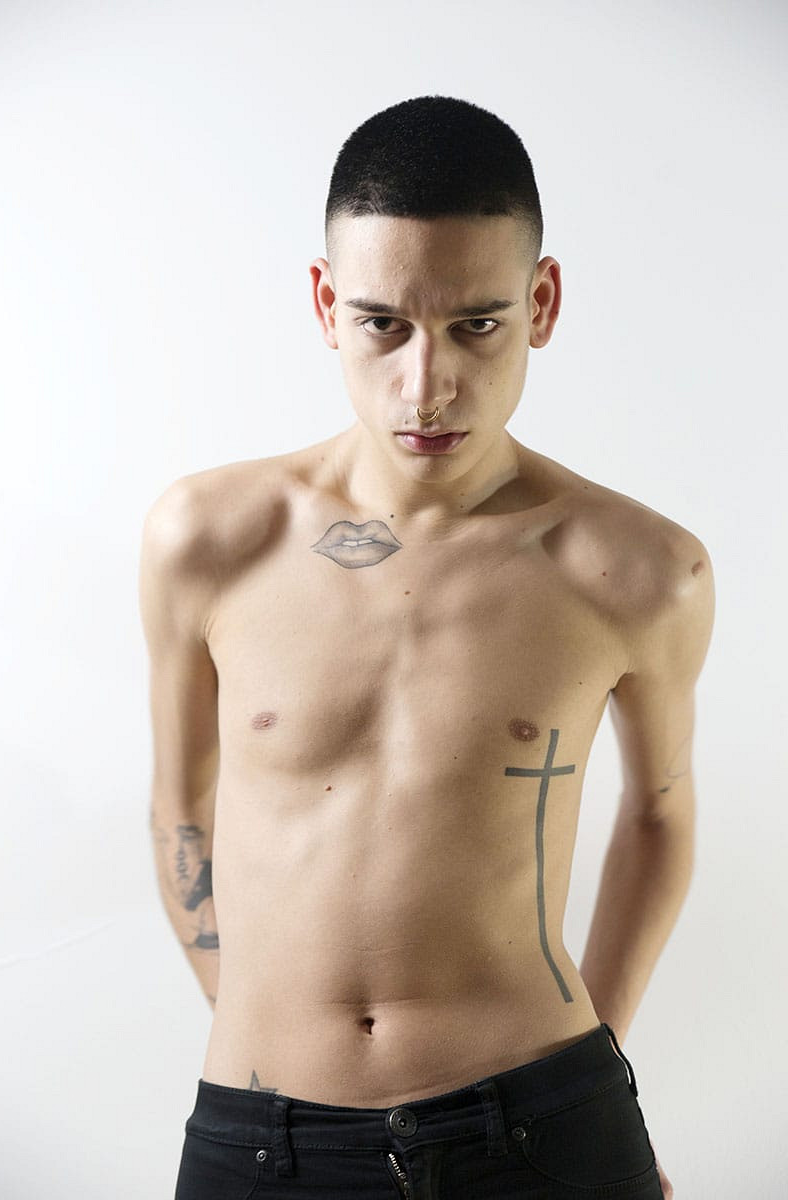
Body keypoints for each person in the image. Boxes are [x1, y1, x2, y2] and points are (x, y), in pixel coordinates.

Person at [139, 94, 713, 1199]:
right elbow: (179, 806)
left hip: (539, 1121)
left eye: (476, 325)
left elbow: (658, 813)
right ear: (326, 304)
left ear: (541, 303)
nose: (425, 384)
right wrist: (258, 1026)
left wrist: (593, 1076)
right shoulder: (209, 539)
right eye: (383, 325)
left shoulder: (637, 569)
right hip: (259, 1132)